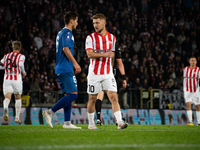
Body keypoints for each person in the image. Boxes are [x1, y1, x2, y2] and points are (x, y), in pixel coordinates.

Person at [85, 13, 128, 129]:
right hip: (94, 73)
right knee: (92, 99)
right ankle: (91, 124)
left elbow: (114, 56)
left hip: (108, 73)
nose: (95, 25)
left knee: (114, 97)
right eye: (94, 23)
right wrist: (105, 54)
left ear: (104, 23)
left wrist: (121, 75)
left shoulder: (112, 38)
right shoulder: (90, 38)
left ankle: (120, 122)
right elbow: (89, 54)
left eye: (97, 23)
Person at [42, 12, 82, 129]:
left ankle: (67, 123)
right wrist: (75, 63)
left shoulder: (60, 33)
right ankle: (50, 112)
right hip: (65, 68)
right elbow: (65, 49)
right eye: (76, 21)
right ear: (71, 21)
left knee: (68, 95)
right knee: (74, 95)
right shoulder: (67, 33)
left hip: (60, 68)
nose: (77, 23)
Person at [95, 47, 127, 126]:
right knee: (114, 98)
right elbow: (120, 63)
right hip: (110, 75)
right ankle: (118, 120)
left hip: (98, 74)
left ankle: (98, 119)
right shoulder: (114, 47)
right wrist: (124, 78)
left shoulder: (99, 45)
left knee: (100, 95)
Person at [0, 41, 26, 124]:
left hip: (7, 78)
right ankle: (17, 118)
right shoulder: (21, 56)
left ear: (13, 48)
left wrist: (7, 68)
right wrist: (24, 72)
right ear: (20, 48)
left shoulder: (6, 56)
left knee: (7, 97)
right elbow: (21, 65)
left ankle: (5, 108)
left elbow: (0, 66)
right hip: (16, 78)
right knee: (18, 97)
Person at [183, 56, 200, 126]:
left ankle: (199, 121)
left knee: (198, 106)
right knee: (188, 105)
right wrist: (184, 89)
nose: (193, 62)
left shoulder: (198, 70)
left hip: (196, 90)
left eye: (195, 61)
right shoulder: (185, 69)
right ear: (189, 61)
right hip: (187, 90)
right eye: (192, 60)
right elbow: (184, 79)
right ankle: (190, 121)